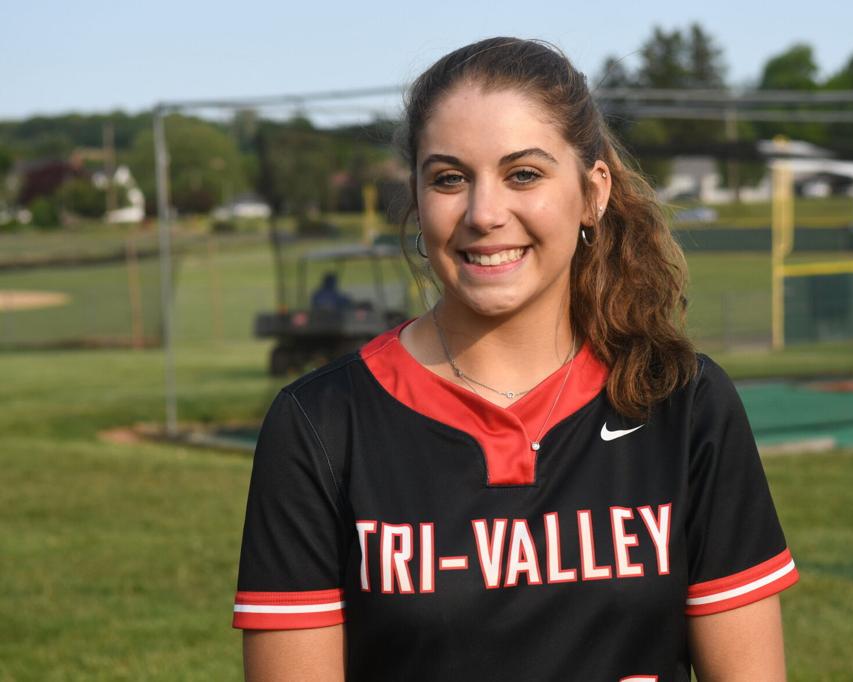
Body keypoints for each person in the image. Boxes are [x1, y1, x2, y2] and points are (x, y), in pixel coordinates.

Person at [234, 37, 798, 681]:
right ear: (417, 201)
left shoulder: (682, 401)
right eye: (449, 179)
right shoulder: (321, 423)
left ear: (593, 192)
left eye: (523, 174)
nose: (484, 213)